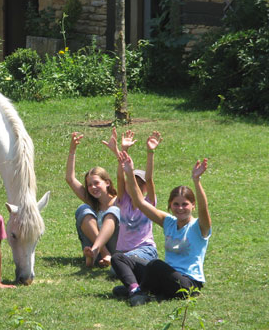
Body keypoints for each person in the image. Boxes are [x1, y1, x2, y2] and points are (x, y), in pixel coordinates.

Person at [115, 150, 211, 306]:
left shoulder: (199, 227)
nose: (180, 208)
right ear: (170, 206)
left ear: (193, 205)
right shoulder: (169, 222)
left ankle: (141, 292)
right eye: (176, 204)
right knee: (120, 258)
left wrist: (196, 181)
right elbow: (140, 202)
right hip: (164, 276)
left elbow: (204, 210)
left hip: (187, 284)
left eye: (185, 204)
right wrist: (130, 173)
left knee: (155, 264)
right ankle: (135, 289)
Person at [103, 129, 161, 297]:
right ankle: (142, 285)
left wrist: (150, 152)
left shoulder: (148, 203)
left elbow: (149, 179)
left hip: (145, 251)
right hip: (123, 254)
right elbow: (121, 178)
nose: (134, 184)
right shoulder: (123, 201)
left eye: (139, 183)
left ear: (143, 187)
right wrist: (124, 150)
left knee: (120, 266)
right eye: (132, 180)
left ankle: (135, 287)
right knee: (116, 267)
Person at [65, 132, 120, 267]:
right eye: (89, 185)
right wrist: (72, 150)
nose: (92, 187)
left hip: (115, 247)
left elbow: (124, 175)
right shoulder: (92, 202)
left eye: (96, 183)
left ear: (107, 182)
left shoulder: (119, 201)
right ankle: (99, 253)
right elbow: (70, 179)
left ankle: (101, 254)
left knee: (113, 211)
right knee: (82, 209)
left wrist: (117, 152)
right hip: (93, 248)